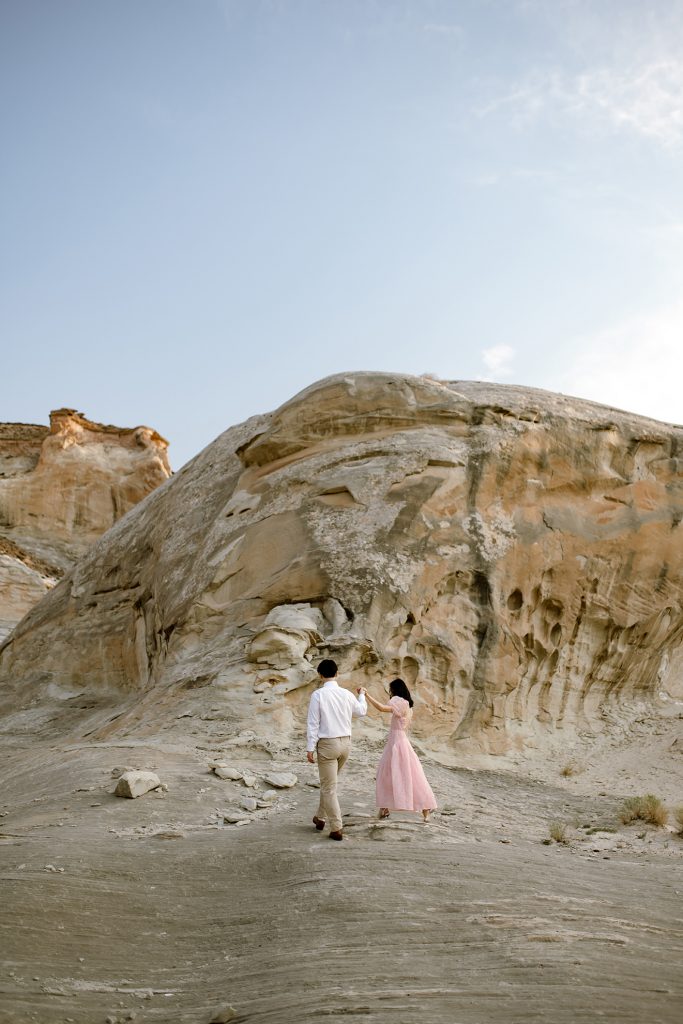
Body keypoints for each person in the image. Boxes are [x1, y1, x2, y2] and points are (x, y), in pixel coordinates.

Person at [306, 658, 367, 841]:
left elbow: (313, 723)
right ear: (337, 674)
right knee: (329, 785)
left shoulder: (318, 695)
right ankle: (320, 817)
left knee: (328, 788)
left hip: (327, 745)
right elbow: (361, 711)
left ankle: (336, 827)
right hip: (345, 744)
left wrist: (310, 747)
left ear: (320, 675)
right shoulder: (347, 694)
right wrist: (362, 694)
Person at [361, 678, 436, 822]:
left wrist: (367, 695)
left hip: (398, 743)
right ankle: (385, 809)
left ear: (395, 690)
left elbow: (382, 708)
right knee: (393, 774)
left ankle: (424, 808)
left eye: (391, 689)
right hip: (397, 741)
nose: (390, 692)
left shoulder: (402, 703)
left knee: (395, 775)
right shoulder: (407, 705)